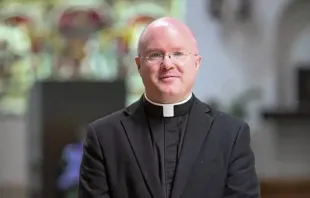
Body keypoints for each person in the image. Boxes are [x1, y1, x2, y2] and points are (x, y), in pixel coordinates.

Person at [78, 17, 260, 198]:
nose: (167, 64)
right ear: (139, 65)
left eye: (178, 53)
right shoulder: (104, 136)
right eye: (155, 55)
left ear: (196, 63)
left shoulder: (231, 134)